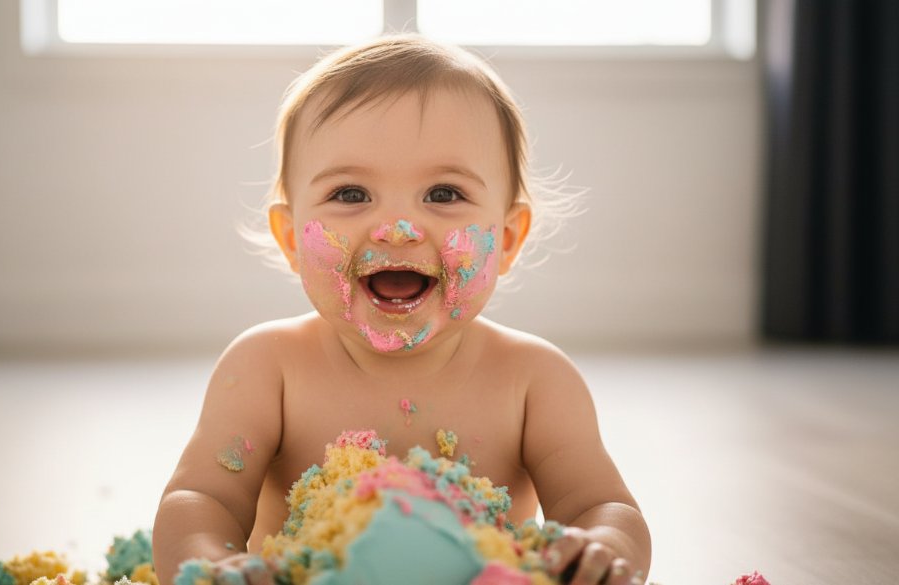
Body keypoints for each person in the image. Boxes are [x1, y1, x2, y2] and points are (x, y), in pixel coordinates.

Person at [153, 34, 650, 585]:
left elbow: (603, 507)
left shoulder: (535, 381)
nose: (397, 228)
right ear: (291, 237)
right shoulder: (266, 369)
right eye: (350, 194)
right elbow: (199, 497)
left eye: (443, 194)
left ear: (507, 238)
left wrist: (600, 547)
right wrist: (215, 562)